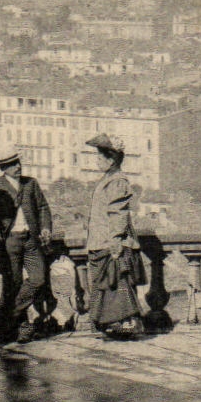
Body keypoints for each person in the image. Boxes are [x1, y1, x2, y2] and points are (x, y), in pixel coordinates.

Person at [0, 147, 54, 344]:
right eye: (13, 165)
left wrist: (46, 227)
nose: (18, 167)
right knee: (11, 285)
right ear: (4, 168)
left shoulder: (31, 184)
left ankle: (7, 313)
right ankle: (19, 326)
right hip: (8, 242)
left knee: (39, 278)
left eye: (18, 163)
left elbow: (43, 207)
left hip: (31, 240)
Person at [84, 133, 145, 339]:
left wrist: (116, 240)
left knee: (116, 284)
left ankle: (125, 323)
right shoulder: (108, 180)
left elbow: (118, 213)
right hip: (102, 241)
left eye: (100, 157)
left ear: (111, 160)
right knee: (108, 284)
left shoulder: (117, 182)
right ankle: (113, 323)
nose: (97, 161)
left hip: (111, 242)